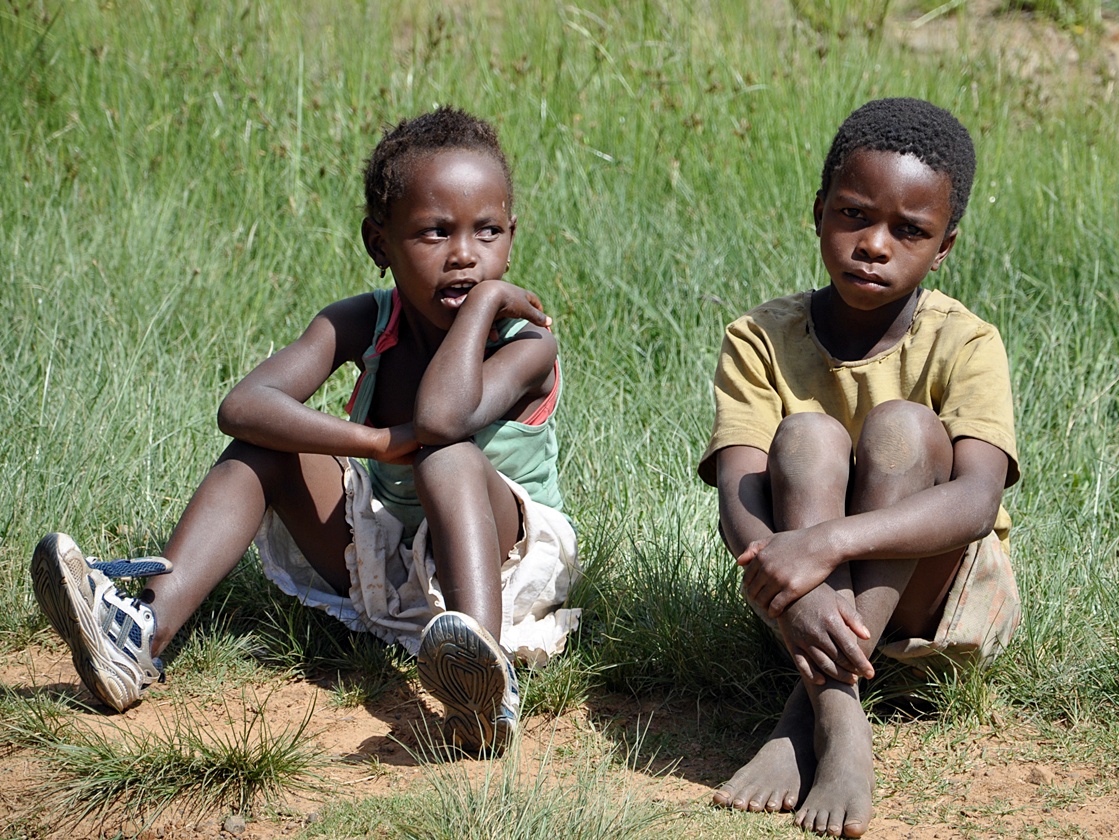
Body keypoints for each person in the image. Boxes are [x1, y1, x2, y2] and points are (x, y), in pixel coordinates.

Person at [31, 106, 579, 756]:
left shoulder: (527, 342)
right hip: (395, 552)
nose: (465, 254)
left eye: (487, 232)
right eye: (434, 233)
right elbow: (244, 405)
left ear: (512, 237)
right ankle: (138, 640)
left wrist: (485, 303)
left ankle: (485, 687)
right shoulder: (364, 321)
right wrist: (375, 444)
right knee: (265, 448)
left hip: (503, 566)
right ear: (380, 245)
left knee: (445, 457)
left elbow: (439, 421)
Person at [698, 98, 1020, 837]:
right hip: (802, 607)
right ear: (818, 213)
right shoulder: (760, 337)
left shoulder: (966, 342)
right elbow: (737, 499)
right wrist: (803, 586)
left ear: (943, 248)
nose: (874, 244)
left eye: (910, 232)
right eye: (854, 216)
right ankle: (842, 715)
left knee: (902, 428)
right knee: (806, 437)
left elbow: (975, 501)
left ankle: (809, 720)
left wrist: (827, 544)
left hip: (940, 603)